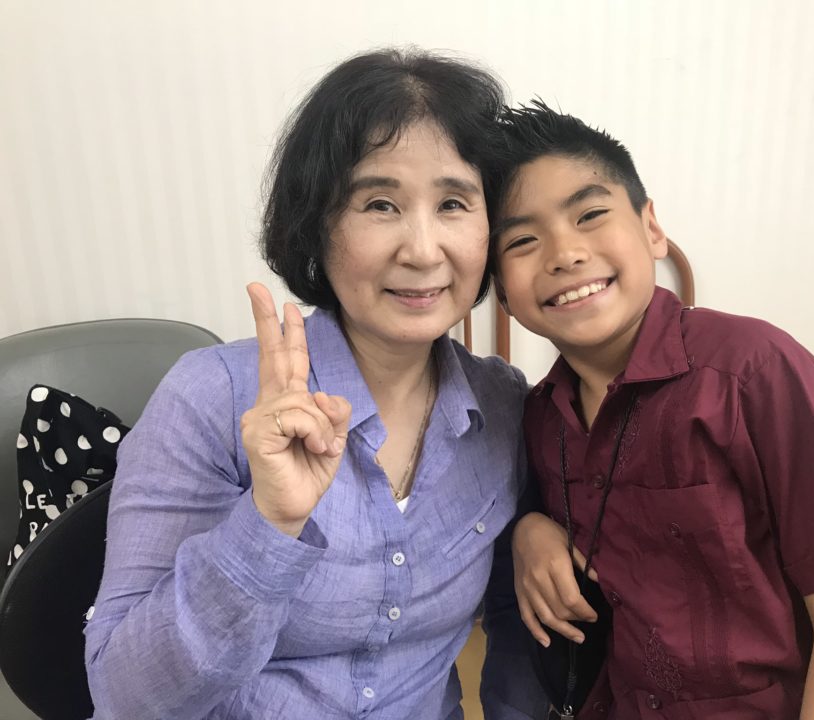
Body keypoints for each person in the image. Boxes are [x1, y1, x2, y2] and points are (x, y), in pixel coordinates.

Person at [84, 49, 548, 720]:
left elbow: (515, 622)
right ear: (317, 224)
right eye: (380, 203)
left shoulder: (505, 408)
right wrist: (270, 524)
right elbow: (124, 694)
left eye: (453, 202)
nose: (422, 250)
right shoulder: (210, 396)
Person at [491, 101, 814, 719]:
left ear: (652, 228)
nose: (564, 253)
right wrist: (531, 531)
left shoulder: (752, 370)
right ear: (499, 287)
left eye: (591, 214)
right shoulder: (539, 418)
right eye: (523, 240)